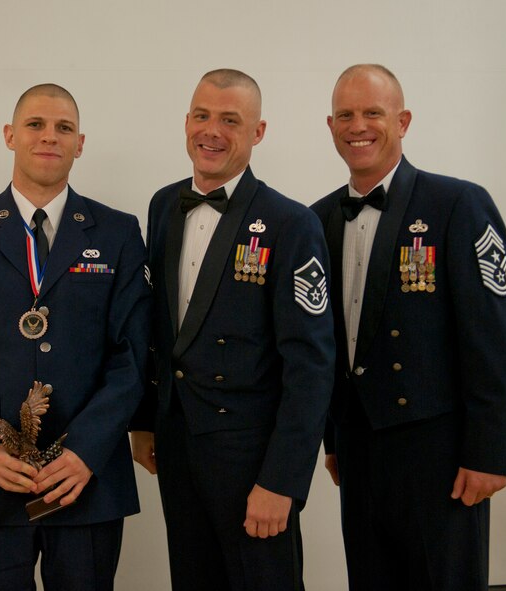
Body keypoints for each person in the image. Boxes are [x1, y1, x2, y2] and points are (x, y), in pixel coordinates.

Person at [0, 83, 150, 591]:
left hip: (86, 478)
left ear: (80, 143)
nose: (50, 137)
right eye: (36, 125)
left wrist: (86, 451)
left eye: (64, 128)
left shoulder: (118, 232)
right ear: (9, 135)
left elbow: (132, 357)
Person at [129, 69, 334, 590]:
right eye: (202, 116)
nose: (211, 131)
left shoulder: (291, 222)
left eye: (230, 120)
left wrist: (281, 481)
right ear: (186, 122)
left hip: (252, 457)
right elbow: (157, 325)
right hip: (179, 445)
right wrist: (147, 419)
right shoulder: (162, 204)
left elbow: (311, 364)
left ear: (258, 132)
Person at [311, 64, 506, 590]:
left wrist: (492, 451)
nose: (359, 125)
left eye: (373, 112)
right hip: (358, 448)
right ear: (330, 126)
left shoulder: (457, 204)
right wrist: (332, 439)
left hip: (440, 453)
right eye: (346, 115)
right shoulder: (317, 218)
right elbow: (325, 342)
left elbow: (495, 337)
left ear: (402, 120)